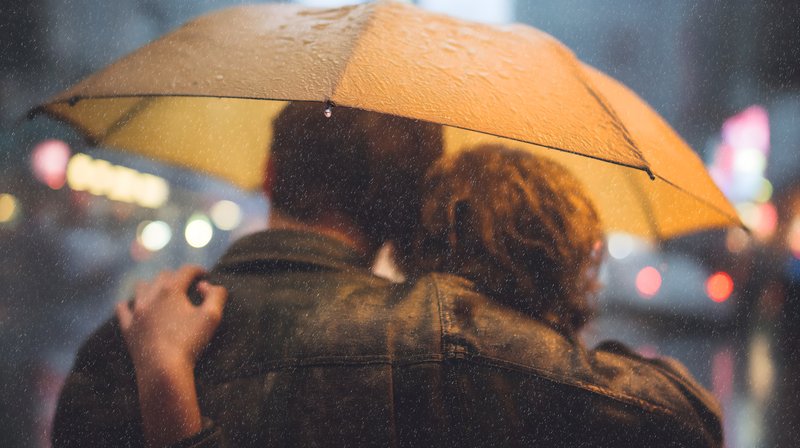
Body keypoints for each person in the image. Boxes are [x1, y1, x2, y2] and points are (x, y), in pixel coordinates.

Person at [54, 122, 723, 446]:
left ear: (268, 171)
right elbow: (685, 420)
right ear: (402, 209)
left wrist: (166, 374)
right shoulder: (437, 338)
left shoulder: (124, 349)